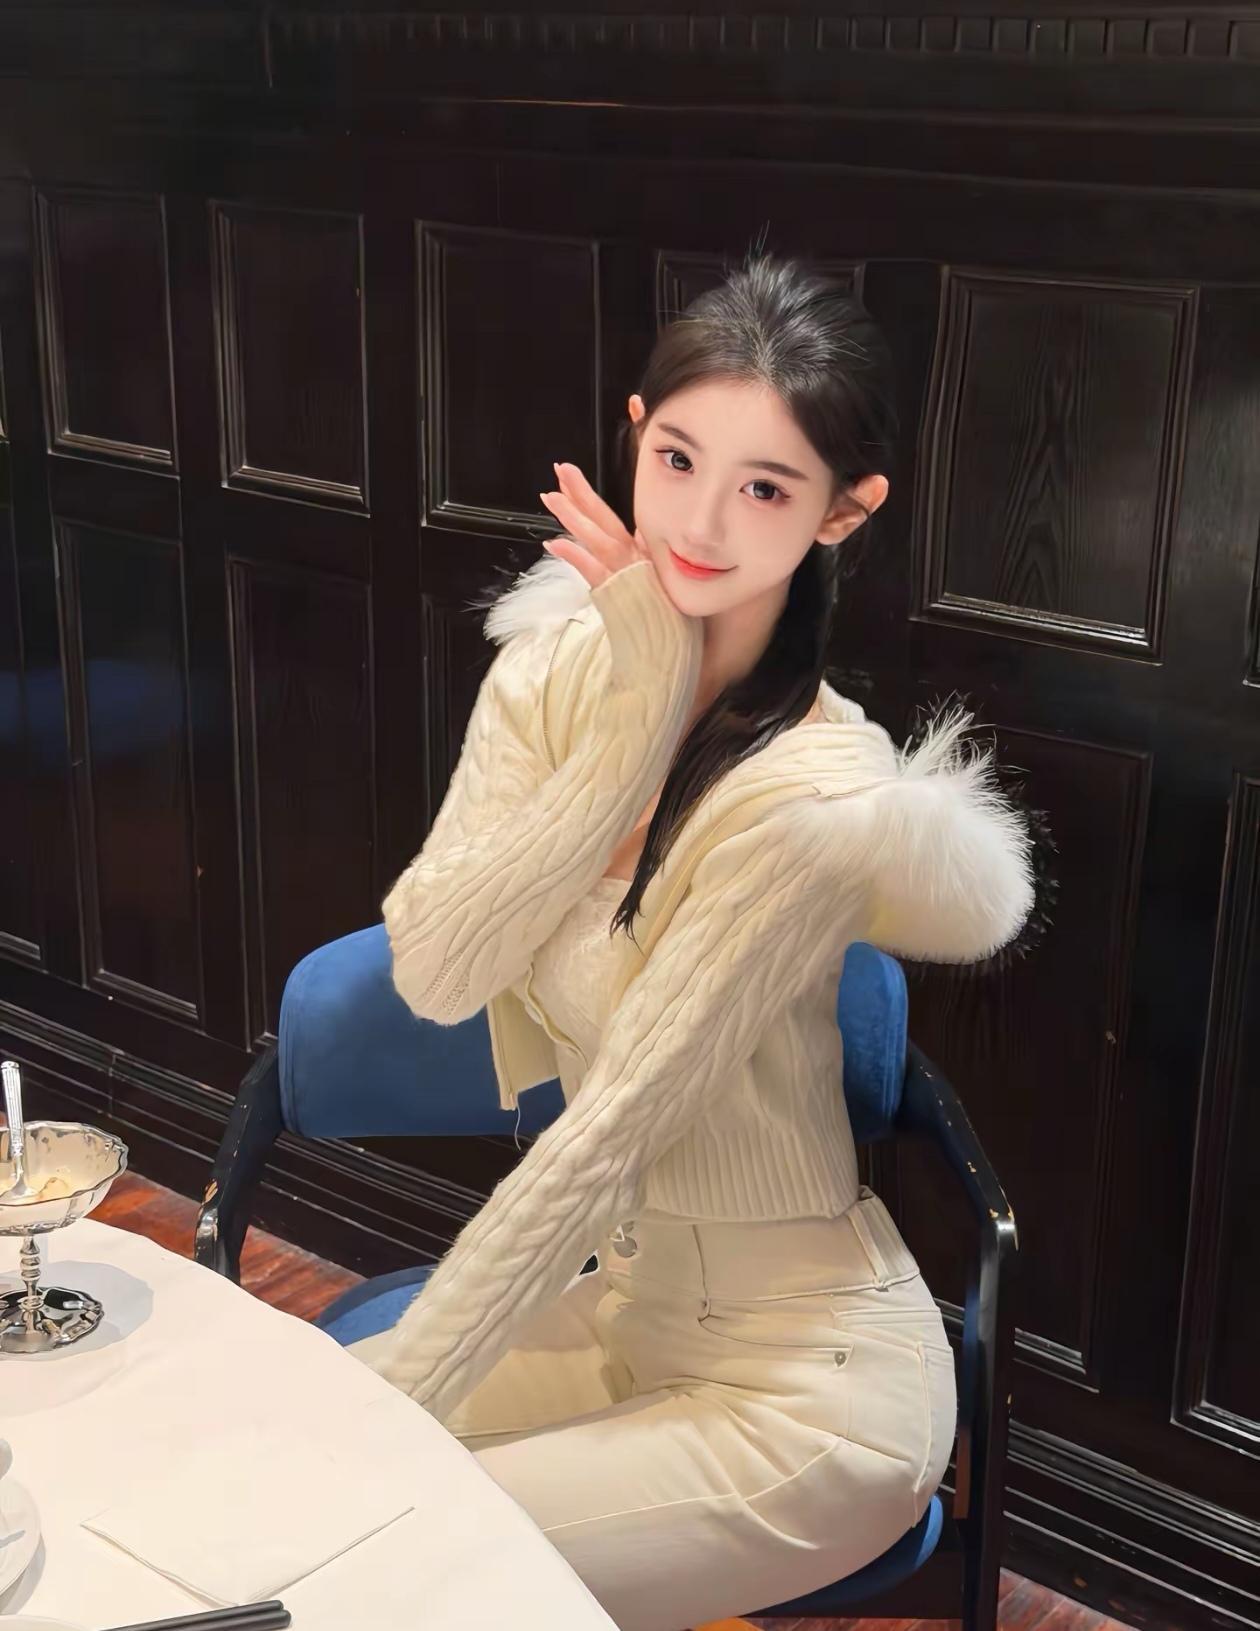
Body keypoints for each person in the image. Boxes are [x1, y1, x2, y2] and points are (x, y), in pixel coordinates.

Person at [351, 252, 1037, 1631]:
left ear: (846, 511)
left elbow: (606, 1138)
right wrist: (633, 714)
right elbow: (436, 967)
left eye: (766, 488)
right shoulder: (552, 673)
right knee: (269, 1484)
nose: (702, 523)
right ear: (635, 432)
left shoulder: (816, 796)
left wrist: (375, 1415)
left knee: (382, 1563)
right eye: (676, 458)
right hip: (628, 1309)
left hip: (808, 1390)